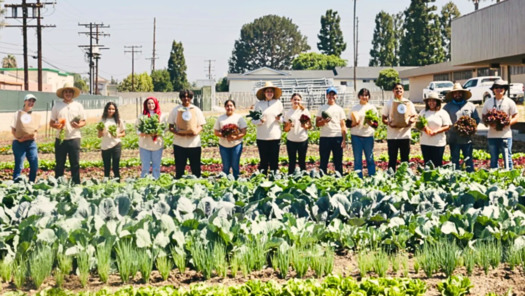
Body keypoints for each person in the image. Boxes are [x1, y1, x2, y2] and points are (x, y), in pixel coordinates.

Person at [50, 83, 86, 184]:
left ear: (73, 94)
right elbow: (51, 122)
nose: (68, 93)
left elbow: (83, 121)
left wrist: (79, 125)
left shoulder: (78, 106)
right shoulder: (57, 106)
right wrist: (56, 126)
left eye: (70, 92)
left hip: (74, 138)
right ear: (63, 93)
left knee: (75, 163)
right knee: (59, 163)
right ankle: (58, 182)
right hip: (60, 138)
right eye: (66, 91)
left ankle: (76, 182)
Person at [481, 79, 519, 169]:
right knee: (493, 159)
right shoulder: (488, 102)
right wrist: (489, 123)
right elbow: (483, 116)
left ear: (505, 89)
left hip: (505, 136)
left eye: (501, 87)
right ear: (493, 90)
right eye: (496, 87)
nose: (499, 89)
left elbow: (516, 116)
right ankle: (495, 178)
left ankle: (509, 177)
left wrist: (507, 123)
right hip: (492, 136)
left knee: (507, 158)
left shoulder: (509, 102)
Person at [168, 89, 206, 179]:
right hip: (179, 144)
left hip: (194, 144)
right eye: (184, 96)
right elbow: (170, 126)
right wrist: (178, 133)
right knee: (179, 170)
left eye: (188, 96)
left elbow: (201, 125)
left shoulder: (196, 110)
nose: (186, 98)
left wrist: (196, 131)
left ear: (191, 98)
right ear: (181, 98)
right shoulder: (175, 110)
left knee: (196, 169)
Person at [443, 83, 480, 172]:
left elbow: (476, 119)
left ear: (463, 94)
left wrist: (471, 128)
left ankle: (470, 176)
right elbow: (443, 121)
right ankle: (456, 177)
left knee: (468, 159)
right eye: (455, 93)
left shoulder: (470, 106)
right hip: (453, 139)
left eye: (459, 93)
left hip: (467, 139)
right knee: (455, 160)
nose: (457, 95)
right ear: (452, 95)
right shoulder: (447, 107)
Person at [381, 83, 417, 171]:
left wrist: (411, 120)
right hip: (392, 136)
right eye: (396, 89)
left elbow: (414, 115)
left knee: (405, 158)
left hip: (405, 135)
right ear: (393, 91)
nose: (399, 90)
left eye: (400, 89)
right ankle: (391, 176)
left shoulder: (408, 103)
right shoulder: (389, 103)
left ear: (403, 91)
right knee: (392, 158)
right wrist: (388, 123)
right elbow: (383, 118)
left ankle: (404, 175)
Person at [252, 81, 284, 174]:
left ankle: (274, 181)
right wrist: (260, 121)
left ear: (273, 93)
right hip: (262, 137)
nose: (269, 93)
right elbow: (254, 120)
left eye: (271, 91)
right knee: (263, 162)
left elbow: (283, 119)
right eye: (267, 91)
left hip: (275, 136)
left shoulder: (278, 103)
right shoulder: (258, 104)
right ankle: (263, 182)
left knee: (274, 161)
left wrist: (279, 119)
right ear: (264, 93)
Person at [316, 87, 347, 175]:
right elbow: (317, 124)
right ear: (327, 96)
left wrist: (344, 139)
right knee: (324, 160)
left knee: (338, 161)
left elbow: (343, 125)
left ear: (336, 96)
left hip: (337, 137)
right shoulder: (322, 108)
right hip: (325, 137)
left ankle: (339, 177)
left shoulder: (340, 109)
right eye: (330, 94)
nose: (331, 96)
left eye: (333, 94)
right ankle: (322, 178)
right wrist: (323, 121)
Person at [213, 99, 247, 179]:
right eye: (227, 106)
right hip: (223, 146)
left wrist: (235, 137)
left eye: (231, 106)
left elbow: (244, 132)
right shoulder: (220, 118)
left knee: (235, 165)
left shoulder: (239, 118)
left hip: (236, 145)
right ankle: (225, 182)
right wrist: (225, 136)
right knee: (226, 166)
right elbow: (216, 132)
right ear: (225, 107)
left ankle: (236, 180)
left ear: (234, 107)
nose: (229, 107)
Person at [11, 94, 40, 182]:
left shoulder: (34, 115)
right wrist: (19, 138)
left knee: (34, 165)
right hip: (19, 143)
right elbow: (13, 129)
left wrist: (35, 135)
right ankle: (16, 185)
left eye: (33, 101)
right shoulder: (18, 113)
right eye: (29, 100)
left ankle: (31, 182)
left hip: (31, 143)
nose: (31, 103)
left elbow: (35, 130)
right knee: (19, 165)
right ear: (25, 101)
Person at [349, 88, 377, 178]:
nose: (364, 97)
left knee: (370, 158)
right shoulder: (354, 108)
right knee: (357, 160)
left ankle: (372, 177)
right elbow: (348, 123)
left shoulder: (372, 108)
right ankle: (359, 178)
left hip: (368, 136)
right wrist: (354, 123)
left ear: (369, 97)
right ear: (359, 96)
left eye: (366, 95)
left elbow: (376, 125)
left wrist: (371, 123)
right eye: (362, 95)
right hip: (356, 136)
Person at [418, 92, 452, 168]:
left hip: (438, 143)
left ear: (437, 102)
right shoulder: (423, 112)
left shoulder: (443, 113)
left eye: (434, 101)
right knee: (427, 164)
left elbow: (447, 126)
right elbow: (418, 125)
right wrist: (425, 129)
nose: (431, 103)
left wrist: (436, 131)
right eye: (429, 101)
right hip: (425, 142)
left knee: (437, 164)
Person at [136, 97, 165, 179]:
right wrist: (141, 133)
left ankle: (156, 180)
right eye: (148, 103)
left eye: (152, 103)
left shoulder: (161, 116)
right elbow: (137, 128)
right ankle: (144, 181)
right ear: (146, 105)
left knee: (156, 167)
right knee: (145, 167)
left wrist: (158, 132)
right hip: (144, 144)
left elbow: (164, 129)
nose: (150, 105)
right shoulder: (142, 116)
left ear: (155, 104)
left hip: (157, 145)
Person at [283, 93, 312, 174]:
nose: (296, 101)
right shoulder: (288, 112)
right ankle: (290, 178)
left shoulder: (305, 111)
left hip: (302, 139)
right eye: (295, 99)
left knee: (302, 161)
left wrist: (305, 126)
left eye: (298, 100)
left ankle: (303, 178)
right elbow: (285, 129)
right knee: (291, 162)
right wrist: (289, 125)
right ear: (291, 100)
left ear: (301, 101)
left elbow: (310, 126)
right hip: (291, 140)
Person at [97, 102, 126, 181]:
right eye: (109, 109)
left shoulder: (119, 120)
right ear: (106, 110)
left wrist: (117, 135)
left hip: (116, 144)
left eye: (113, 109)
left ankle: (117, 183)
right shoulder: (102, 120)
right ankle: (106, 183)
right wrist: (101, 132)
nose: (111, 110)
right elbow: (99, 135)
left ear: (115, 110)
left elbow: (123, 133)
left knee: (116, 166)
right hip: (105, 146)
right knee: (106, 167)